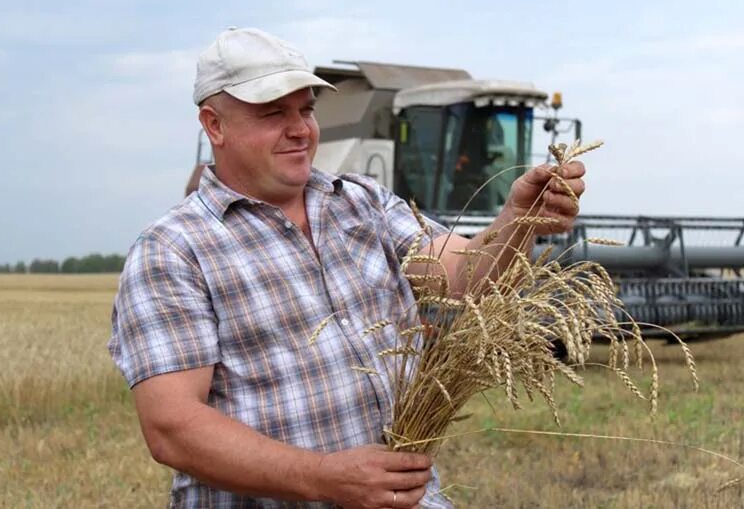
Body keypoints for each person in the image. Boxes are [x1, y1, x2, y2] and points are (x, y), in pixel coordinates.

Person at [109, 27, 586, 508]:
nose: (300, 128)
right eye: (274, 113)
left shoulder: (361, 203)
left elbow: (462, 280)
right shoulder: (173, 250)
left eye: (307, 109)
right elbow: (172, 428)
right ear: (214, 126)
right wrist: (321, 478)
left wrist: (518, 221)